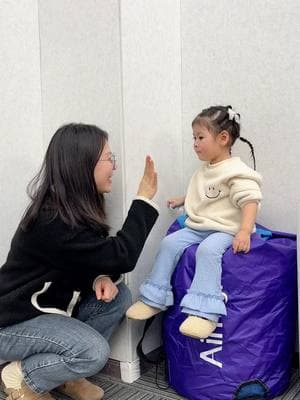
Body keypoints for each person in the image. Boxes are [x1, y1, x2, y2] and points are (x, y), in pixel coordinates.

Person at [0, 123, 158, 400]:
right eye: (109, 159)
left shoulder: (76, 208)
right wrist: (143, 198)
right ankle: (22, 375)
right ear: (83, 164)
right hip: (10, 323)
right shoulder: (51, 219)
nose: (114, 167)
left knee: (118, 295)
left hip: (39, 312)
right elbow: (121, 255)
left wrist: (98, 277)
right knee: (94, 351)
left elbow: (72, 260)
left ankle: (66, 377)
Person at [126, 105, 262, 339]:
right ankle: (154, 298)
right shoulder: (206, 169)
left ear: (222, 138)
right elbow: (209, 196)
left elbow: (250, 199)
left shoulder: (235, 170)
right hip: (202, 226)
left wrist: (245, 231)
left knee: (208, 251)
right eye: (194, 138)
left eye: (200, 137)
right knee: (169, 243)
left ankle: (204, 313)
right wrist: (184, 200)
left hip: (226, 229)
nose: (195, 143)